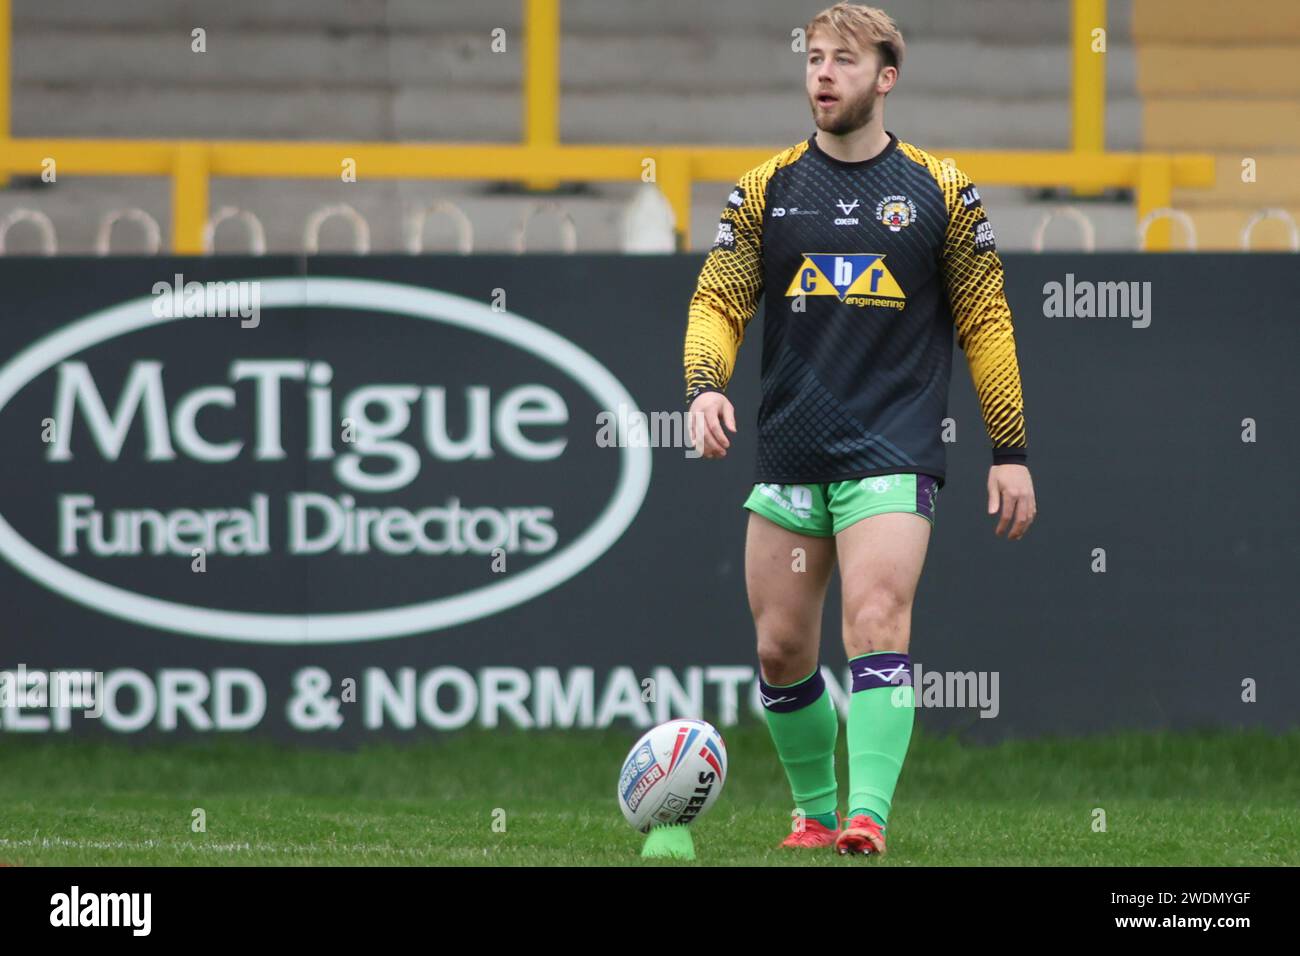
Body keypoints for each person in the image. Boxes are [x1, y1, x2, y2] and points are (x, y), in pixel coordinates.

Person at [682, 2, 1036, 855]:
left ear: (887, 76)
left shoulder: (942, 191)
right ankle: (812, 812)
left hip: (893, 446)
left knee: (876, 620)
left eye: (843, 60)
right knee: (779, 650)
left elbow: (986, 322)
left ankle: (867, 817)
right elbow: (719, 297)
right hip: (792, 449)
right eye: (812, 59)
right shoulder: (767, 187)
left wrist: (1010, 450)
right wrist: (702, 386)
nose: (823, 74)